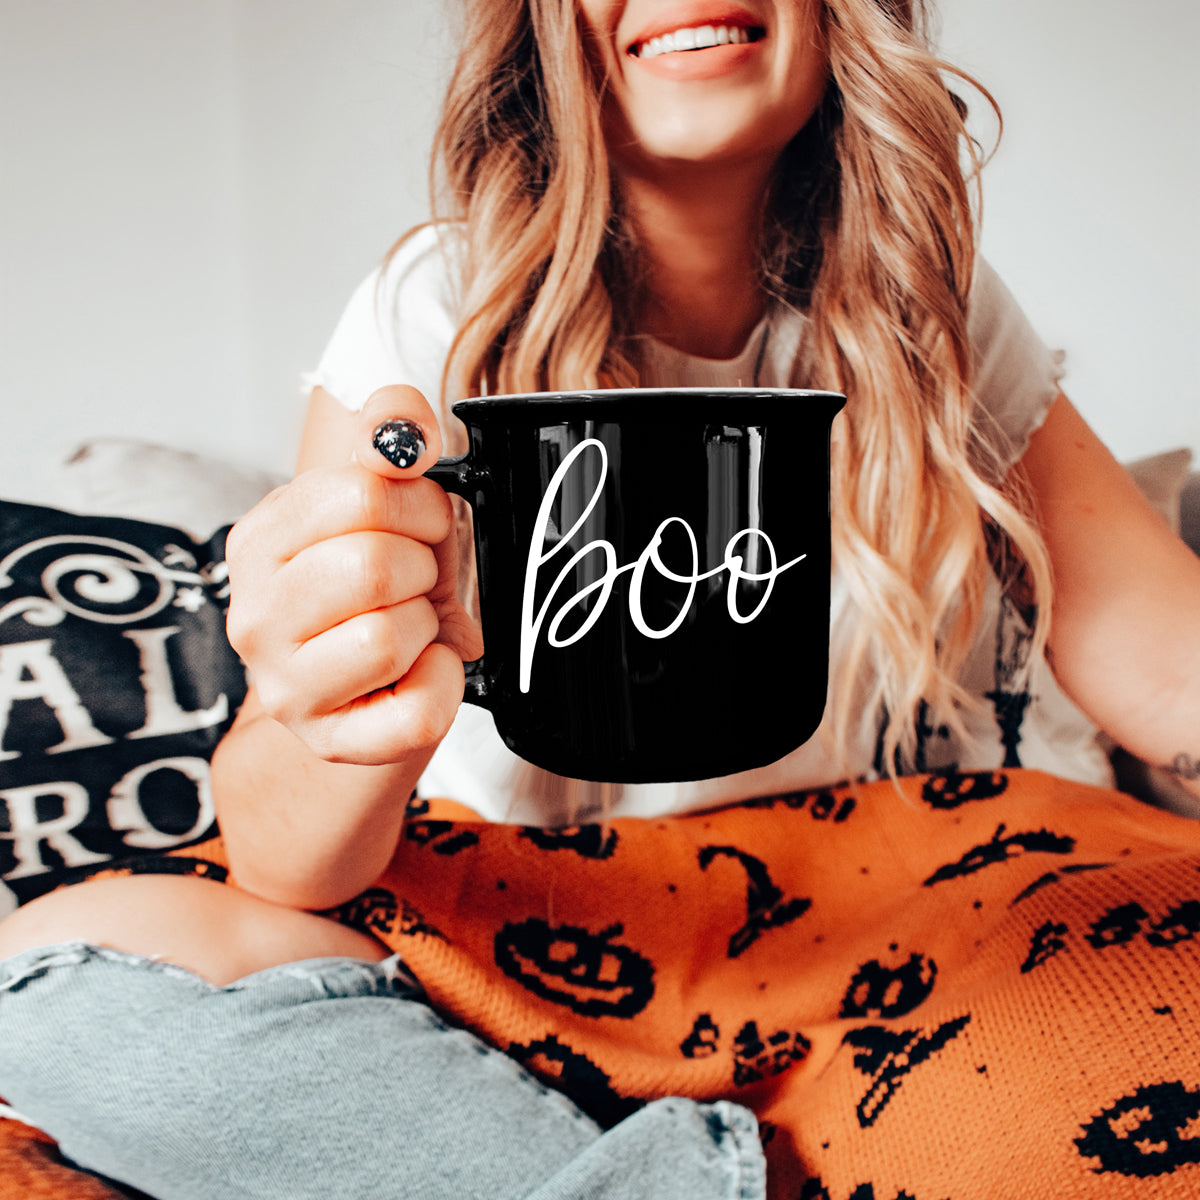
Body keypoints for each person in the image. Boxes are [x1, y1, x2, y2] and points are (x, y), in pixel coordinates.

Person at [2, 0, 1199, 1196]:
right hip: (530, 933)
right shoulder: (440, 301)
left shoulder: (925, 302)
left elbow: (1164, 666)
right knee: (63, 977)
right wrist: (335, 715)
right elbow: (288, 867)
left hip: (896, 930)